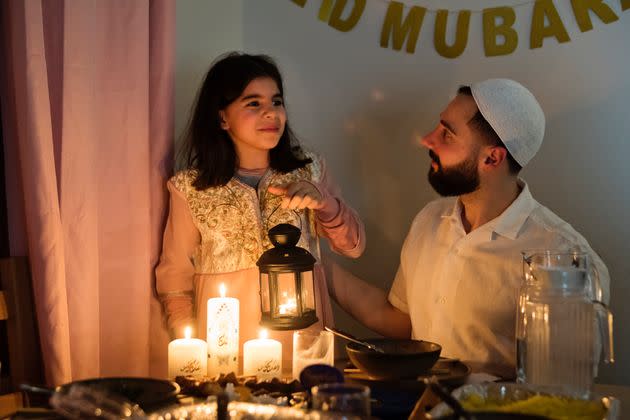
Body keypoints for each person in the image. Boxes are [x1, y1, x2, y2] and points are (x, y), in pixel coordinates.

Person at [328, 78, 609, 378]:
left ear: (492, 157)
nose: (427, 140)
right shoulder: (429, 220)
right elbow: (402, 321)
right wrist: (314, 263)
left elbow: (566, 383)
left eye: (446, 134)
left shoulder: (564, 258)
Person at [156, 52, 365, 370]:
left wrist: (324, 203)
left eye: (277, 101)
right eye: (253, 103)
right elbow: (174, 280)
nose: (271, 113)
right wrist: (192, 348)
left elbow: (353, 246)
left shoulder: (309, 171)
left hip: (302, 350)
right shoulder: (190, 189)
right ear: (222, 117)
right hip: (226, 356)